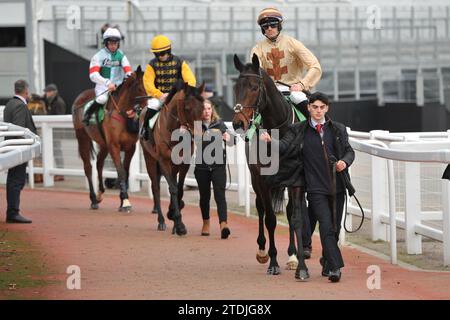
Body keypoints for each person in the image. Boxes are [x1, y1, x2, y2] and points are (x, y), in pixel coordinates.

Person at [260, 92, 355, 282]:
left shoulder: (338, 129)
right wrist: (272, 141)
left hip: (337, 188)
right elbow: (286, 146)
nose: (318, 111)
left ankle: (327, 261)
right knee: (327, 227)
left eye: (322, 107)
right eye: (315, 107)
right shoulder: (298, 130)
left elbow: (349, 151)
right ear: (309, 108)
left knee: (335, 230)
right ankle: (336, 268)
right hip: (315, 189)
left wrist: (344, 162)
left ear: (326, 108)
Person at [251, 7, 322, 115]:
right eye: (265, 26)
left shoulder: (292, 43)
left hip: (293, 91)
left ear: (279, 25)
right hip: (270, 94)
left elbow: (315, 66)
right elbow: (255, 72)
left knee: (310, 110)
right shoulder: (257, 49)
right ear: (262, 29)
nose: (269, 28)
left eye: (273, 25)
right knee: (253, 115)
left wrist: (301, 85)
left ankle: (316, 129)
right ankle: (249, 131)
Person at [140, 35, 196, 140]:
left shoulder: (180, 62)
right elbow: (148, 83)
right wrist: (159, 95)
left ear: (168, 50)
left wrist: (185, 92)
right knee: (152, 106)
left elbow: (190, 79)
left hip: (177, 95)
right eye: (157, 54)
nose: (160, 56)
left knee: (194, 108)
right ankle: (145, 129)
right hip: (160, 96)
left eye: (162, 53)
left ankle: (197, 132)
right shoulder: (151, 65)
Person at [194, 100, 235, 239]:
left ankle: (224, 224)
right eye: (203, 109)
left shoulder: (220, 124)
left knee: (220, 196)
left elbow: (232, 142)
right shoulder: (196, 125)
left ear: (212, 110)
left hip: (218, 166)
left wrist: (228, 137)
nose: (206, 111)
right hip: (201, 167)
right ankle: (206, 223)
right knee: (204, 197)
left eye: (208, 108)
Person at [3, 80, 37, 223]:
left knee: (13, 180)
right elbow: (19, 129)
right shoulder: (20, 106)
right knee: (16, 181)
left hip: (12, 147)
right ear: (26, 91)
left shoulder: (9, 104)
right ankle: (13, 212)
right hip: (19, 149)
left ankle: (12, 211)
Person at [83, 27, 132, 126]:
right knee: (102, 99)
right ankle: (88, 115)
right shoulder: (98, 56)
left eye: (115, 43)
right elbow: (93, 75)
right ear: (106, 43)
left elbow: (129, 72)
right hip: (103, 87)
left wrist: (128, 80)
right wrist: (107, 83)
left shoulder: (122, 56)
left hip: (118, 87)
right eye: (111, 43)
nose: (113, 46)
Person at [43, 83, 67, 181]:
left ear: (53, 92)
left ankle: (60, 173)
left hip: (56, 130)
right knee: (53, 151)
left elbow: (59, 118)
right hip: (53, 130)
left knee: (57, 151)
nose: (46, 94)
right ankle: (57, 171)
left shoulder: (58, 102)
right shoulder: (52, 101)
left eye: (48, 92)